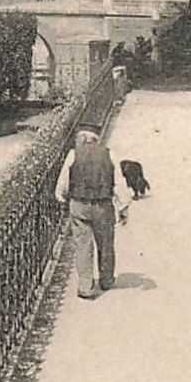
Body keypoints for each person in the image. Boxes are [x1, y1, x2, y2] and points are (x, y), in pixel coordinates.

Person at [54, 124, 129, 300]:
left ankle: (85, 286)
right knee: (106, 243)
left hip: (79, 205)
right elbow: (118, 182)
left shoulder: (73, 154)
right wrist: (123, 207)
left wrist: (61, 197)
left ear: (81, 138)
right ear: (96, 138)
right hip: (103, 206)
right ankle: (106, 279)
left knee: (83, 246)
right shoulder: (109, 154)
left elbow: (63, 182)